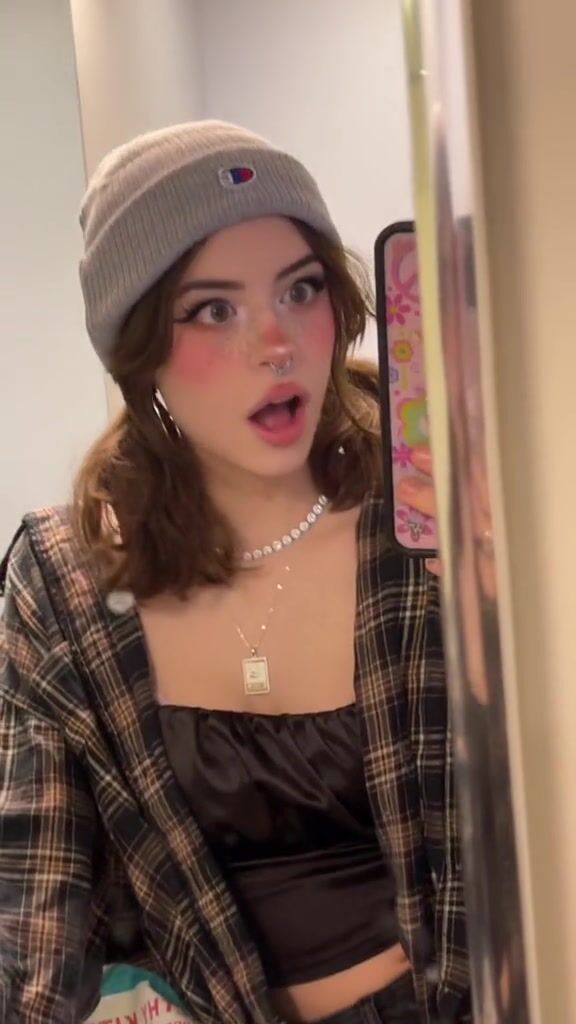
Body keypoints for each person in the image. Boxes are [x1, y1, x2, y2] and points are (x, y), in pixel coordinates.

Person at [0, 121, 470, 1023]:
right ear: (139, 349)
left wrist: (514, 599)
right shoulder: (67, 585)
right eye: (214, 310)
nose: (277, 342)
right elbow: (34, 909)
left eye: (301, 289)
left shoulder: (425, 514)